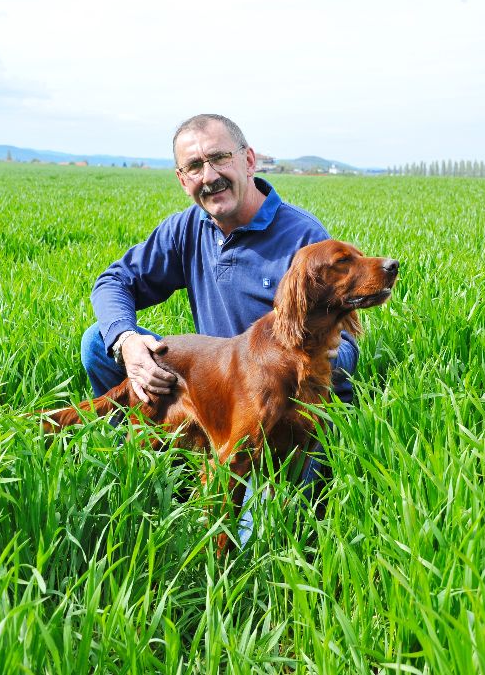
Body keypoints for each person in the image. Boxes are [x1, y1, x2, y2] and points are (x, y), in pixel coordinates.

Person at [80, 114, 357, 543]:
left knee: (257, 539)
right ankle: (163, 443)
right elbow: (114, 281)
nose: (209, 176)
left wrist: (305, 356)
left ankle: (254, 474)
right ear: (181, 178)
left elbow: (348, 340)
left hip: (285, 412)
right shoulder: (187, 230)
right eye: (194, 166)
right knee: (98, 343)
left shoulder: (301, 239)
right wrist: (127, 340)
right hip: (216, 388)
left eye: (219, 158)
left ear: (248, 161)